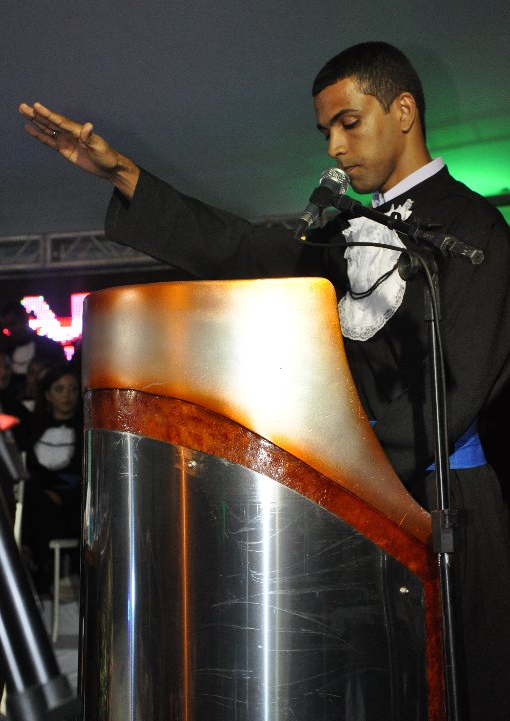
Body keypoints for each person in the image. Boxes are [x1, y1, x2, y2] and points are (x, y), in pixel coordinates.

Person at [19, 41, 510, 720]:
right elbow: (239, 247)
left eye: (349, 122)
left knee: (465, 689)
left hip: (445, 503)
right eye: (326, 131)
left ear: (403, 111)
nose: (335, 146)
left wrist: (335, 478)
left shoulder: (475, 228)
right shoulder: (349, 232)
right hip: (363, 500)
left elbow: (454, 391)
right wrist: (124, 173)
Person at [21, 364, 82, 595]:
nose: (67, 395)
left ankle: (36, 564)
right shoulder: (33, 430)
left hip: (70, 510)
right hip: (37, 506)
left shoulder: (85, 432)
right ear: (47, 394)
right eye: (59, 389)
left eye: (72, 389)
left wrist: (63, 496)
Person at [0, 301, 66, 399]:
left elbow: (62, 376)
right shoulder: (5, 352)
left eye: (13, 323)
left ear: (25, 319)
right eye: (7, 326)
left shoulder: (50, 348)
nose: (11, 329)